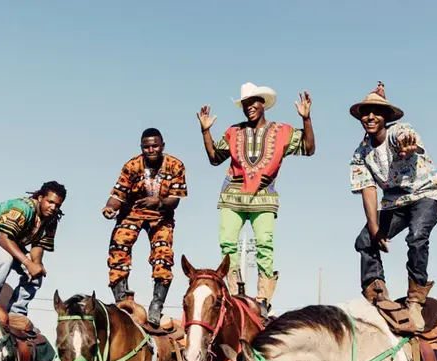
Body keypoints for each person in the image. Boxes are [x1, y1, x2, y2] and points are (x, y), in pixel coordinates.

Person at [197, 82, 315, 316]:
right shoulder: (234, 132)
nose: (249, 107)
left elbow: (309, 148)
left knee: (264, 244)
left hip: (264, 196)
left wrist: (306, 119)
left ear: (263, 104)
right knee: (228, 243)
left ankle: (262, 298)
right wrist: (205, 131)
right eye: (245, 104)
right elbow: (214, 158)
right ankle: (235, 291)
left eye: (253, 102)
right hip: (233, 195)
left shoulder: (281, 131)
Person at [349, 81, 437, 331]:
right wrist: (373, 227)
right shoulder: (360, 154)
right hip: (395, 203)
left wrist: (407, 146)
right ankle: (377, 292)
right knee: (364, 241)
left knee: (417, 236)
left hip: (424, 195)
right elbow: (368, 189)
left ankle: (415, 298)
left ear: (385, 117)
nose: (370, 117)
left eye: (376, 113)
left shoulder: (397, 132)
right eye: (365, 113)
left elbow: (405, 136)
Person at [102, 128, 187, 328]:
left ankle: (156, 306)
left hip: (161, 215)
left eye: (155, 145)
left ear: (162, 146)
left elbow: (174, 200)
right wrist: (109, 207)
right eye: (146, 146)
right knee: (119, 247)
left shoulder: (176, 166)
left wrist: (157, 202)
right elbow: (118, 194)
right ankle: (122, 301)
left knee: (163, 254)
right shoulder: (132, 166)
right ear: (141, 148)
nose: (151, 149)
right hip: (131, 212)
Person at [0, 181, 66, 316]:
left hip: (8, 242)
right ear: (40, 198)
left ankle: (17, 314)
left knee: (35, 275)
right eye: (50, 202)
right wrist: (28, 263)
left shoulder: (51, 220)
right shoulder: (23, 208)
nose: (53, 207)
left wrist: (36, 264)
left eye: (57, 205)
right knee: (5, 258)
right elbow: (4, 239)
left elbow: (38, 246)